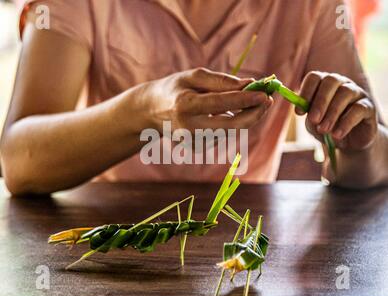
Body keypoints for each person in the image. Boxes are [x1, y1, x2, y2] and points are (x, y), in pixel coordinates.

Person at [1, 0, 387, 195]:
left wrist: (357, 145)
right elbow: (18, 162)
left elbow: (374, 158)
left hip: (242, 257)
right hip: (109, 248)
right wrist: (144, 110)